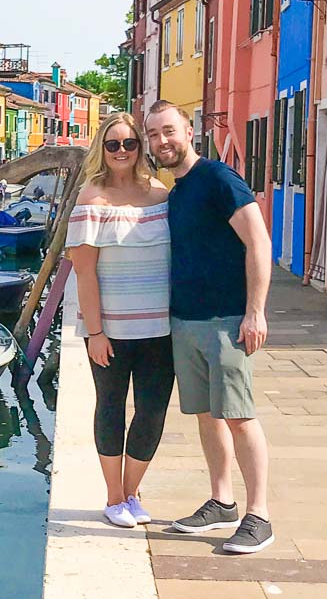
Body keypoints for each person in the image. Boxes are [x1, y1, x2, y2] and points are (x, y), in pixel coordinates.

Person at [145, 100, 275, 554]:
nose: (162, 141)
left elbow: (258, 242)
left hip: (226, 321)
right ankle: (222, 502)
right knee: (207, 415)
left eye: (169, 131)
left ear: (189, 131)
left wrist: (255, 312)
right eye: (154, 134)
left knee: (239, 416)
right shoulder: (177, 192)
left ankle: (260, 515)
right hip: (185, 320)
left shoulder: (219, 179)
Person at [65, 112, 175, 528]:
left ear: (140, 147)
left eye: (130, 143)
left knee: (152, 411)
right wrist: (95, 332)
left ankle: (132, 492)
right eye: (113, 144)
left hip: (159, 328)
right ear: (102, 149)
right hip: (109, 329)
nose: (122, 151)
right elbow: (84, 272)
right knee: (110, 406)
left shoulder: (160, 195)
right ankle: (113, 497)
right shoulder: (92, 198)